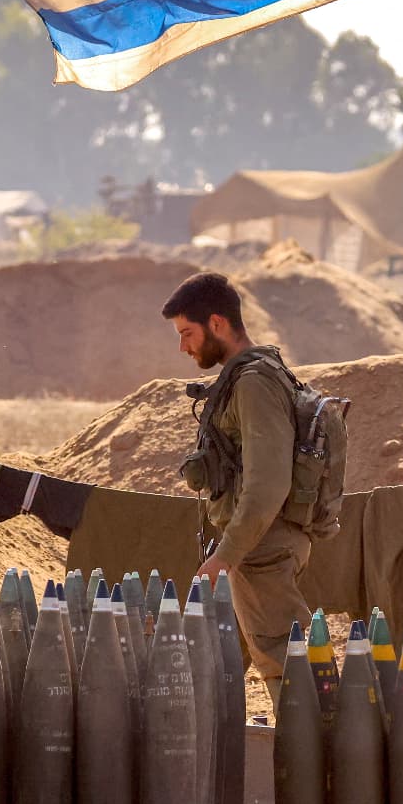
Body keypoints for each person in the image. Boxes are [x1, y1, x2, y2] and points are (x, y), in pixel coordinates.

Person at [163, 271, 312, 690]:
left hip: (264, 547)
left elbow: (267, 484)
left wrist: (226, 556)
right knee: (280, 661)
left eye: (187, 332)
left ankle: (311, 756)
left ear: (217, 323)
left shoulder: (253, 384)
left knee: (288, 669)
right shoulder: (254, 376)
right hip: (261, 543)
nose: (182, 346)